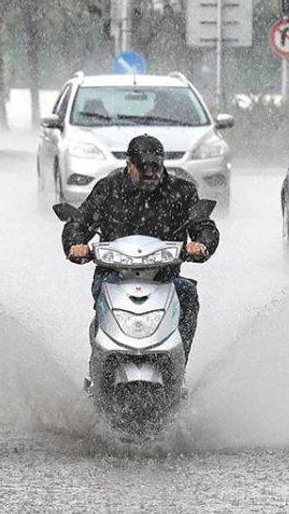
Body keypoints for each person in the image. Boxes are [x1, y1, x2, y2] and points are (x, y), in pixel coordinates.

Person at [62, 134, 219, 362]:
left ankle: (179, 361)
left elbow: (203, 225)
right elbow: (80, 221)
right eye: (143, 168)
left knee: (187, 294)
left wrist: (203, 243)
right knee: (104, 291)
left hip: (164, 278)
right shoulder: (108, 189)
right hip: (112, 274)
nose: (150, 174)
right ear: (129, 165)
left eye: (155, 168)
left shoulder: (181, 191)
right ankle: (99, 361)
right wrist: (76, 243)